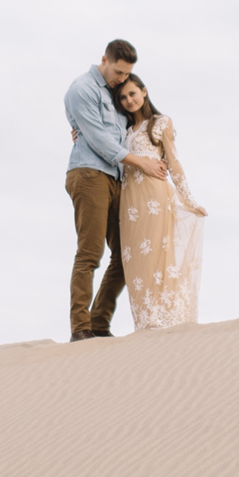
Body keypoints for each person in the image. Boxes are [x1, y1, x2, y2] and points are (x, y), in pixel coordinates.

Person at [64, 40, 165, 340]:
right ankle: (80, 328)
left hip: (116, 178)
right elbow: (98, 138)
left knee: (124, 255)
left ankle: (99, 321)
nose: (122, 79)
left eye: (127, 75)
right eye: (119, 72)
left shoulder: (113, 93)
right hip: (89, 174)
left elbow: (118, 130)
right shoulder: (82, 88)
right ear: (105, 59)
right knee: (90, 253)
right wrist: (141, 163)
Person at [113, 75, 206, 330]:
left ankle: (165, 321)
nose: (128, 100)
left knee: (156, 256)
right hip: (129, 203)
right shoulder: (122, 129)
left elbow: (173, 161)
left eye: (132, 94)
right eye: (122, 97)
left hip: (154, 197)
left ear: (144, 92)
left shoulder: (160, 123)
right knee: (135, 261)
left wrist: (189, 199)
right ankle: (145, 323)